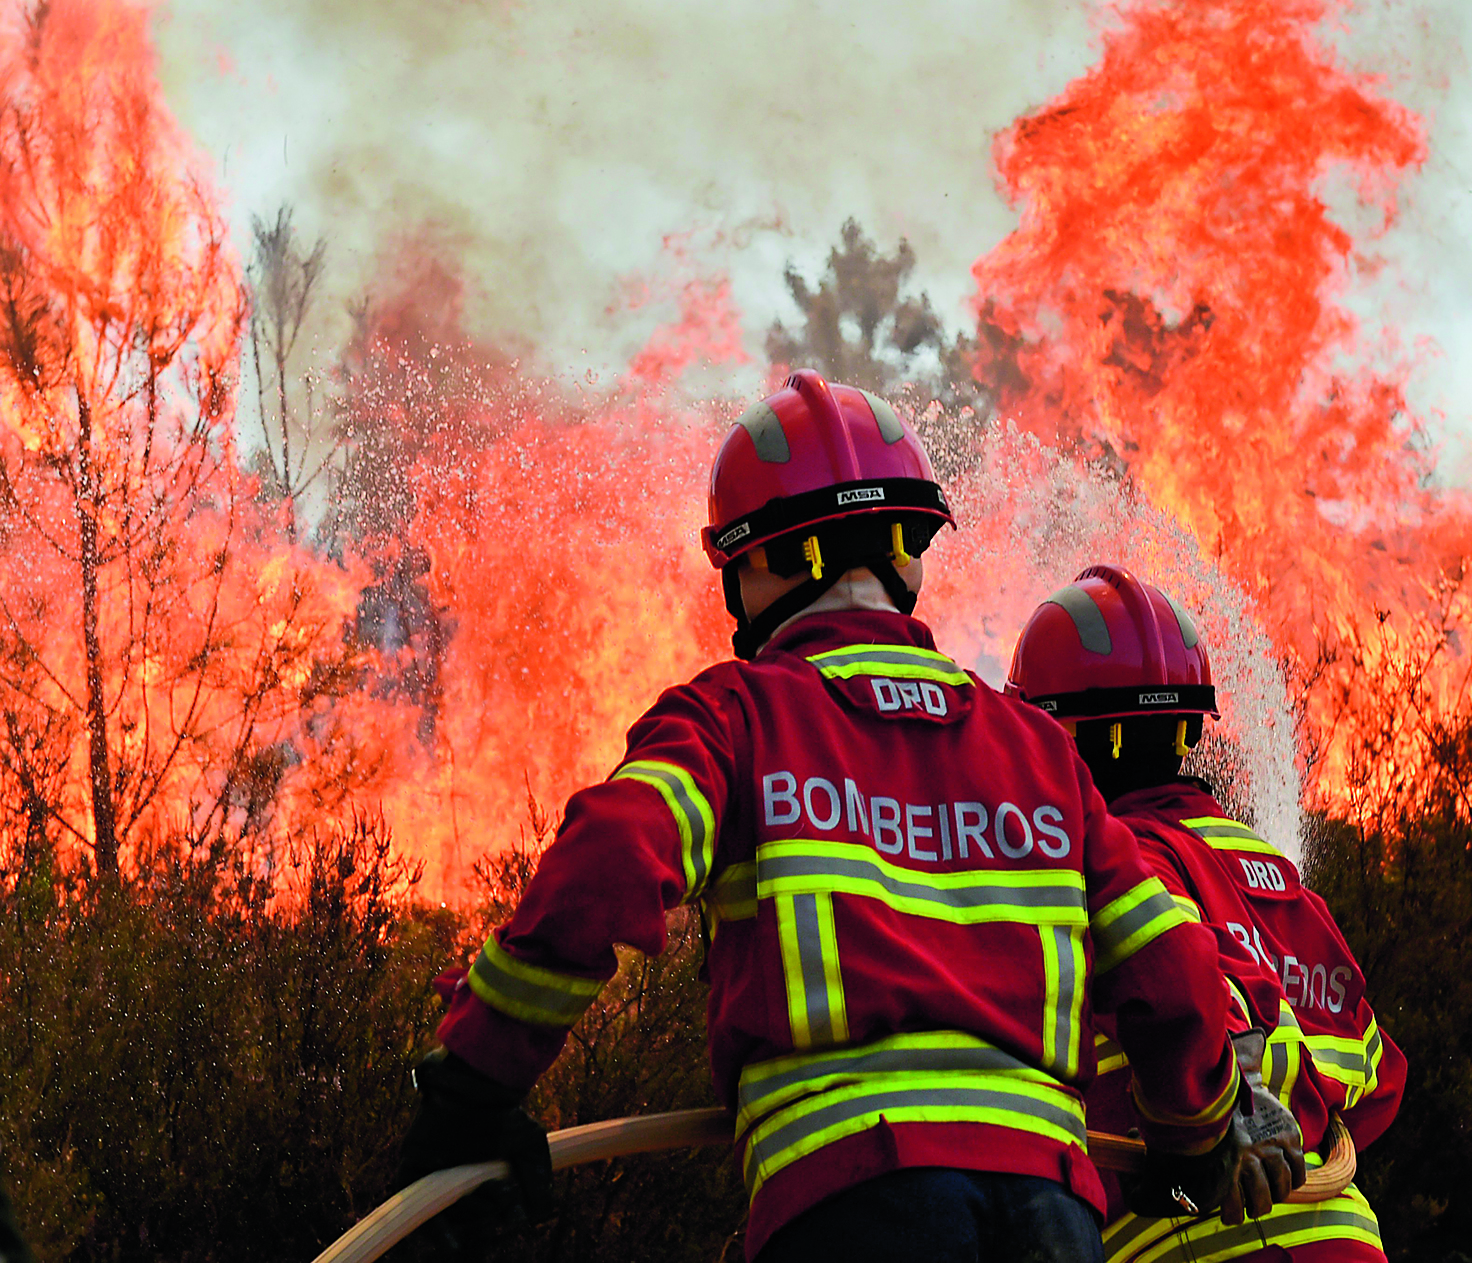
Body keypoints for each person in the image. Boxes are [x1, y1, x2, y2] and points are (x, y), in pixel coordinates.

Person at [395, 372, 1301, 1262]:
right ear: (908, 552)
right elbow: (1167, 964)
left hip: (848, 1203)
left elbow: (607, 860)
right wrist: (1197, 1130)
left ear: (749, 562)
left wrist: (475, 1086)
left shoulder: (734, 718)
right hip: (1050, 1214)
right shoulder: (1037, 750)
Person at [1009, 564, 1407, 1263]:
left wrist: (1236, 1101)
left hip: (1198, 1240)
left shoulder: (1109, 866)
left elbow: (1194, 986)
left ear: (1055, 735)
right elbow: (1375, 1080)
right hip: (1342, 1238)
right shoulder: (1273, 875)